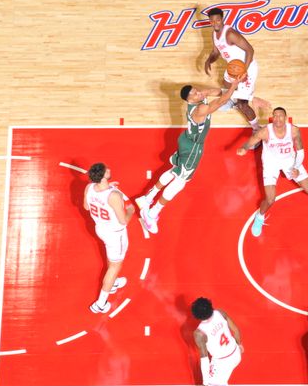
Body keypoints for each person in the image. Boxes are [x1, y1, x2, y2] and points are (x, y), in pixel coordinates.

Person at [136, 78, 239, 234]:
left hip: (185, 140)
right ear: (190, 100)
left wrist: (230, 89)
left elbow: (214, 92)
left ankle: (148, 197)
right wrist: (234, 87)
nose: (198, 92)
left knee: (175, 169)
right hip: (193, 148)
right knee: (180, 182)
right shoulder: (200, 109)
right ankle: (151, 213)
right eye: (194, 93)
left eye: (196, 90)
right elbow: (220, 101)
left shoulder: (199, 97)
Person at [236, 107, 308, 237]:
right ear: (272, 118)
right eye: (275, 116)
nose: (278, 118)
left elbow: (300, 151)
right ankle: (259, 217)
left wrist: (296, 167)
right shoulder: (265, 132)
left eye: (280, 116)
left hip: (290, 161)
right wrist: (243, 148)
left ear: (286, 117)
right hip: (271, 163)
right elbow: (250, 142)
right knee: (270, 199)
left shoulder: (294, 130)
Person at [84, 163, 135, 314]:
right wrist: (131, 210)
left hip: (101, 229)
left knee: (112, 260)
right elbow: (123, 220)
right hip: (115, 233)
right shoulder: (114, 196)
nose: (110, 169)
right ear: (104, 176)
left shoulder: (90, 188)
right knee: (115, 266)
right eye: (107, 169)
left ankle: (112, 283)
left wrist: (108, 187)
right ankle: (100, 303)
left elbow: (87, 207)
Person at [204, 7, 262, 131]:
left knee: (243, 105)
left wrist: (244, 71)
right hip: (233, 67)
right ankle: (233, 100)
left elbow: (250, 50)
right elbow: (215, 52)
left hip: (247, 67)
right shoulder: (214, 34)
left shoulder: (230, 34)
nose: (215, 23)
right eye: (212, 21)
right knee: (225, 83)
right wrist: (208, 60)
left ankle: (257, 128)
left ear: (222, 19)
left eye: (218, 20)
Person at [191, 297, 243, 386]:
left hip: (222, 363)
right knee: (221, 377)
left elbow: (205, 360)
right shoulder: (220, 313)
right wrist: (239, 345)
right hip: (235, 353)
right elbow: (236, 331)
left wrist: (205, 385)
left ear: (196, 315)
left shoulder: (199, 333)